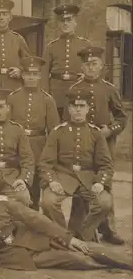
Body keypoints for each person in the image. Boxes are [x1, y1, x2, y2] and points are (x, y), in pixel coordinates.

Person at [0, 172, 132, 271]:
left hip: (36, 238)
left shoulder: (4, 203)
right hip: (16, 255)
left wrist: (68, 238)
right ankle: (109, 267)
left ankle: (127, 263)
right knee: (75, 259)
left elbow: (36, 218)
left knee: (88, 247)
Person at [66, 46, 128, 245]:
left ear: (101, 66)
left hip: (104, 144)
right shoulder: (74, 90)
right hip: (81, 144)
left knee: (104, 183)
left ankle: (108, 229)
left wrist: (109, 130)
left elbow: (121, 117)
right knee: (82, 182)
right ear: (82, 67)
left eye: (94, 64)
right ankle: (78, 228)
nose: (90, 67)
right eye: (86, 64)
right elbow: (67, 118)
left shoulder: (109, 89)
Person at [39, 89, 114, 243]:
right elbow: (45, 163)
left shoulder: (96, 133)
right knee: (48, 201)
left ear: (88, 109)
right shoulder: (57, 132)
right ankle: (61, 236)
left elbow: (106, 164)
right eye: (74, 106)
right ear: (69, 109)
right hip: (63, 178)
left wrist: (100, 182)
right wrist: (52, 181)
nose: (78, 109)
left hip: (88, 180)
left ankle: (83, 233)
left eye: (82, 106)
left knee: (105, 203)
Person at [7, 56, 60, 211]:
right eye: (28, 74)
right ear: (22, 75)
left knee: (35, 188)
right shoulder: (13, 98)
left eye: (34, 74)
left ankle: (35, 221)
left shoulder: (47, 100)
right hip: (17, 148)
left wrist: (49, 155)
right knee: (18, 186)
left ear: (39, 76)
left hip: (38, 146)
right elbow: (8, 126)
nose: (31, 77)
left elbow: (54, 132)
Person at [41, 4, 91, 118]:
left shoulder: (85, 45)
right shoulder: (51, 46)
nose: (65, 23)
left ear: (75, 22)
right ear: (58, 24)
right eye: (62, 20)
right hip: (56, 93)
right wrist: (46, 95)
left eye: (69, 19)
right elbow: (44, 73)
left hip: (78, 91)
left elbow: (93, 68)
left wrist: (86, 77)